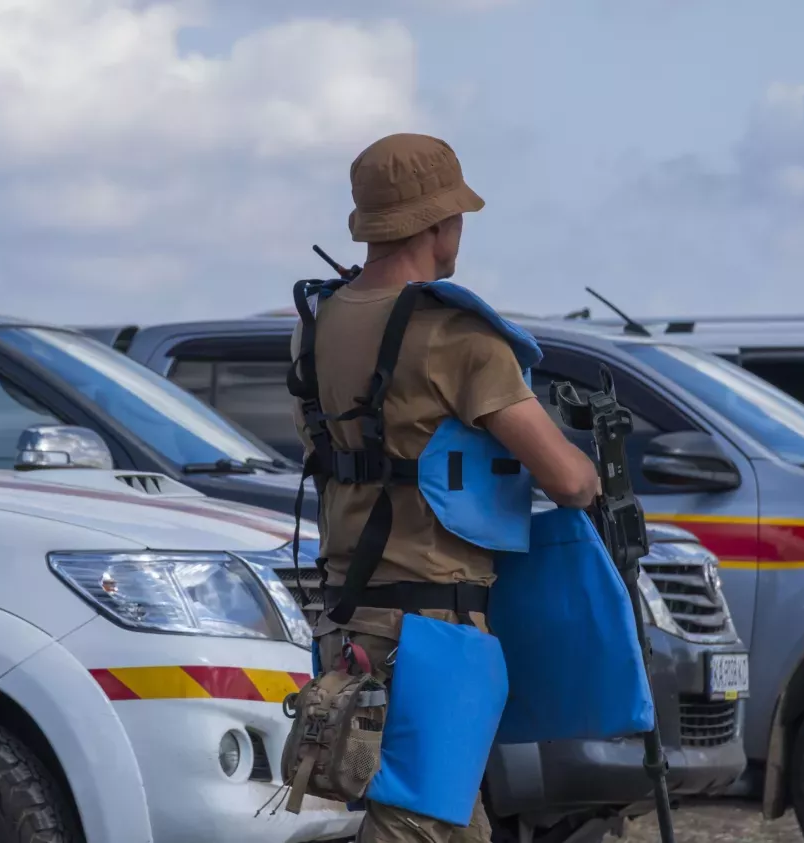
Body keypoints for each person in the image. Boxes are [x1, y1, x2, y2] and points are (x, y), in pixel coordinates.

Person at [289, 133, 600, 843]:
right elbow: (569, 479)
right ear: (438, 225)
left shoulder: (316, 325)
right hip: (434, 630)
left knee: (444, 823)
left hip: (346, 623)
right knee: (415, 826)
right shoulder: (455, 334)